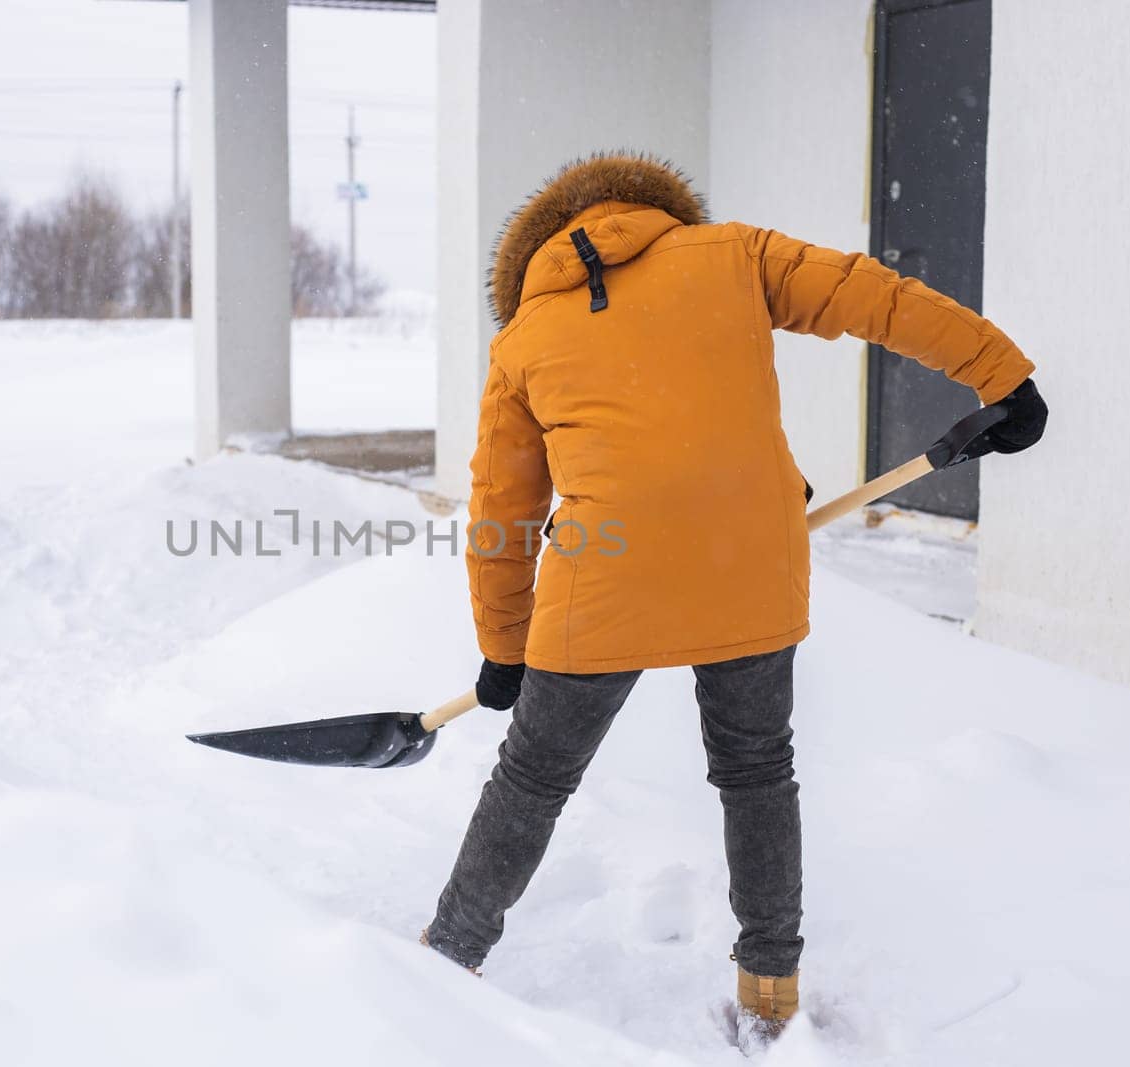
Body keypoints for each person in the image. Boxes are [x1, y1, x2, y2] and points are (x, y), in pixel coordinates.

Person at [419, 153, 1048, 1033]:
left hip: (602, 580)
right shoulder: (732, 255)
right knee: (757, 773)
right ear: (651, 210)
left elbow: (502, 512)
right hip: (747, 564)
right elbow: (876, 295)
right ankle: (770, 989)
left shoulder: (523, 338)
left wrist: (504, 645)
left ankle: (447, 958)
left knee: (531, 779)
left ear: (539, 252)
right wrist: (1001, 373)